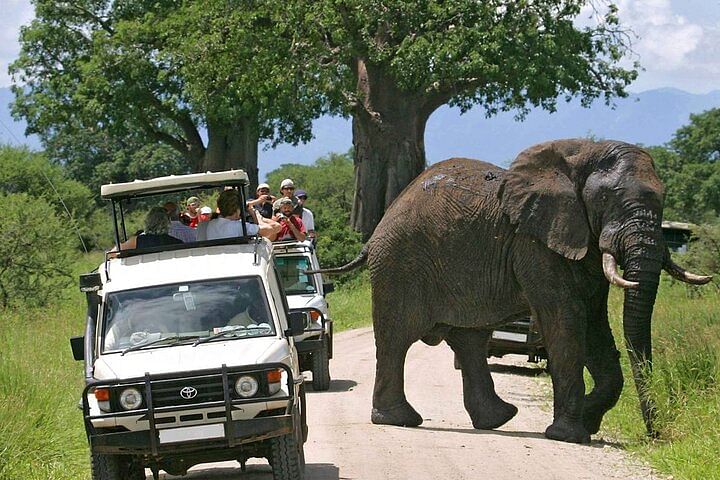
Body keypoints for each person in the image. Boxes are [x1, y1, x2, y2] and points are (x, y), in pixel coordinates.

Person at [198, 189, 280, 241]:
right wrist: (258, 217)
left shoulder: (204, 226)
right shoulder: (241, 226)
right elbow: (272, 229)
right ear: (237, 209)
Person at [112, 206, 183, 252]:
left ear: (147, 222)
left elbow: (113, 253)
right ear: (167, 223)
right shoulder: (177, 243)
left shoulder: (137, 241)